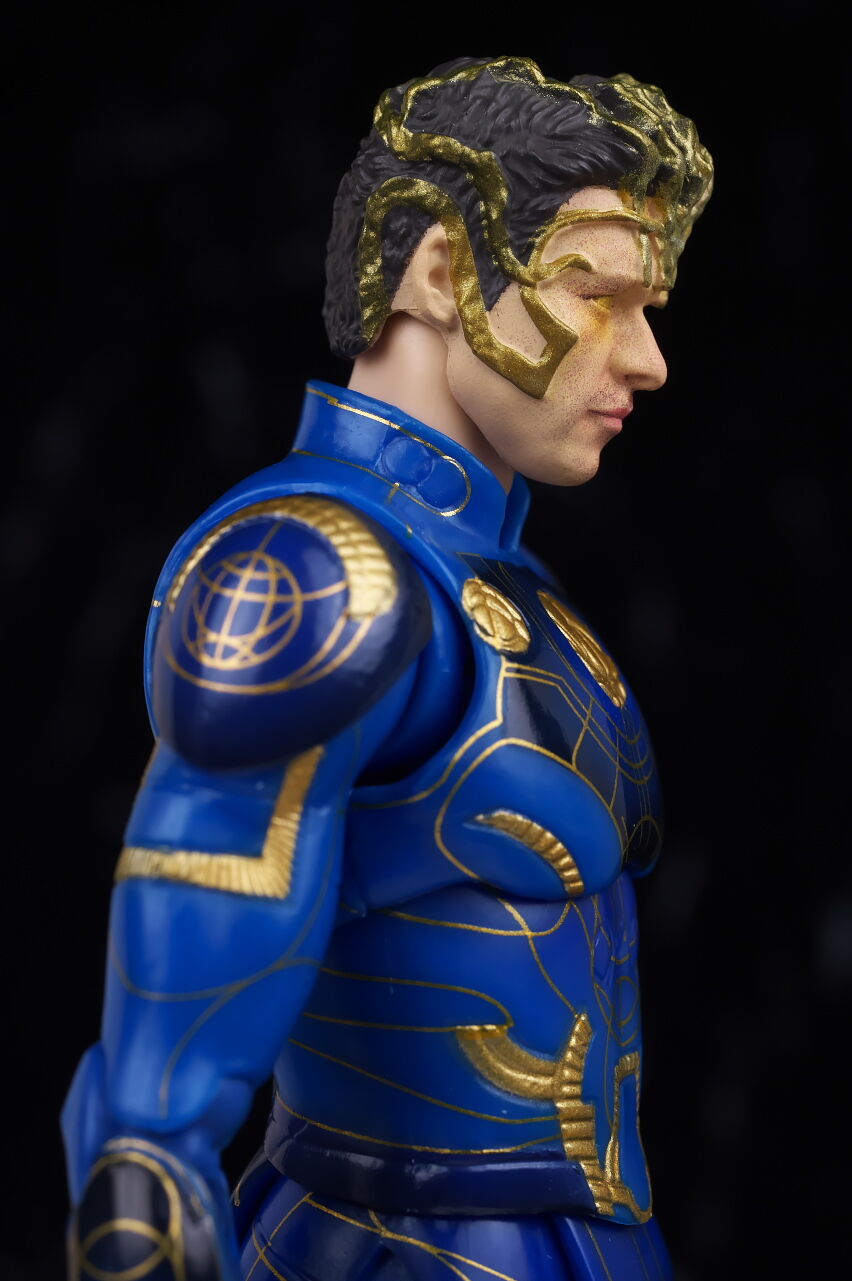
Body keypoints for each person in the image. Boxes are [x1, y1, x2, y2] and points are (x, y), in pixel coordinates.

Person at [62, 56, 713, 1281]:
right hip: (396, 1242)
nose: (645, 360)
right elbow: (185, 991)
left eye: (649, 310)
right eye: (595, 295)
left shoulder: (485, 569)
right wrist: (142, 1211)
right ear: (443, 273)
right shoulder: (312, 568)